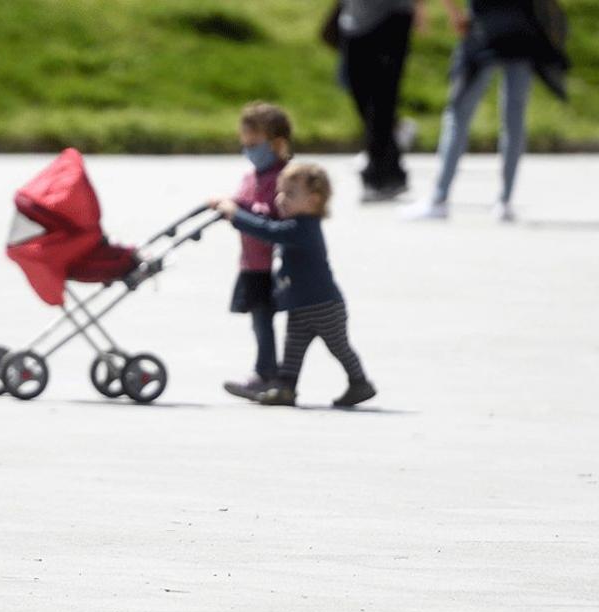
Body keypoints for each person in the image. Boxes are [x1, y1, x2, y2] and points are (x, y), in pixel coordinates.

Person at [210, 164, 376, 408]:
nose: (280, 198)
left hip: (323, 305)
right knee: (292, 351)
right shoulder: (294, 224)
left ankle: (360, 382)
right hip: (299, 305)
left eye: (290, 194)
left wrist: (235, 215)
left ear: (313, 200)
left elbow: (266, 230)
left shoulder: (303, 228)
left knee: (339, 347)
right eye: (280, 192)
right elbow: (266, 223)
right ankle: (286, 388)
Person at [406, 0, 569, 223]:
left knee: (458, 115)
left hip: (483, 35)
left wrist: (455, 15)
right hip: (522, 35)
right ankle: (505, 201)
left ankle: (440, 198)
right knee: (514, 119)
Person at [222, 102, 292, 401]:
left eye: (255, 144)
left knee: (264, 320)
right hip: (250, 263)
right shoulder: (252, 176)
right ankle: (267, 371)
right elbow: (243, 199)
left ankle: (266, 373)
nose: (249, 150)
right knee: (256, 319)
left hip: (270, 266)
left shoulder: (284, 179)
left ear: (277, 144)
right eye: (245, 144)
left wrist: (238, 211)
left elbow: (268, 216)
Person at [338, 0, 427, 202]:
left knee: (383, 100)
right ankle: (393, 168)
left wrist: (421, 8)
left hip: (392, 17)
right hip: (353, 20)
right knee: (359, 94)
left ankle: (376, 177)